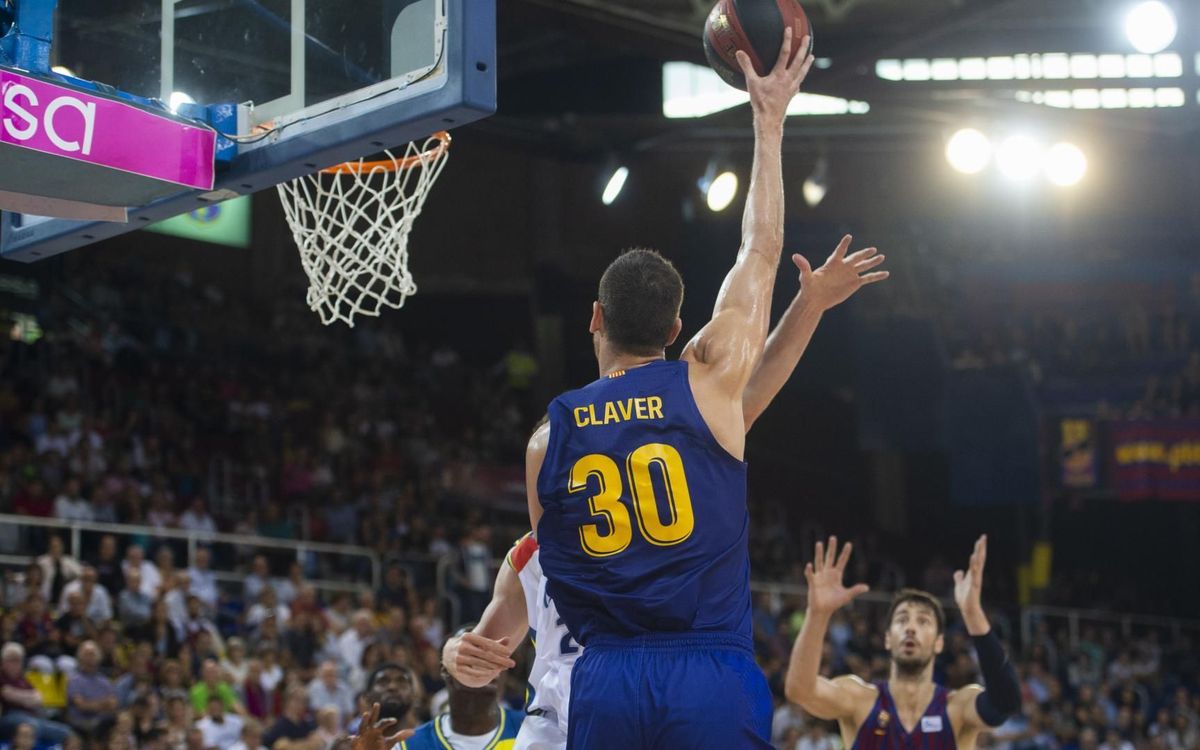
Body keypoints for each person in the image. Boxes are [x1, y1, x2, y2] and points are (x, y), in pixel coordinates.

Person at [524, 28, 865, 749]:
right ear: (681, 326)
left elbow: (553, 567)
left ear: (593, 319)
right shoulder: (708, 387)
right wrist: (768, 120)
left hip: (608, 673)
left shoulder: (548, 438)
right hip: (709, 669)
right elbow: (760, 248)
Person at [442, 219, 887, 747]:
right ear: (675, 330)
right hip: (640, 690)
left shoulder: (553, 450)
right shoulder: (695, 409)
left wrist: (454, 651)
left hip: (601, 693)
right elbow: (758, 284)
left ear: (595, 319)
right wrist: (456, 650)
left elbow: (747, 397)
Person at [784, 536, 1021, 750]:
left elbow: (1006, 702)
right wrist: (817, 614)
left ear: (939, 643)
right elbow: (800, 690)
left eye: (923, 621)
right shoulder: (859, 700)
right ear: (887, 638)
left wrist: (972, 614)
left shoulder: (957, 708)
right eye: (902, 619)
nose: (911, 627)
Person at [398, 662, 522, 750]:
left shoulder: (530, 727)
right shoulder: (409, 744)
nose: (480, 664)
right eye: (470, 656)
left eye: (489, 658)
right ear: (445, 670)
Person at [0, 642, 72, 745]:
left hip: (32, 716)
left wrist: (18, 696)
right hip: (9, 717)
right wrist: (27, 697)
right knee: (30, 727)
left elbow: (38, 699)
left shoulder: (23, 679)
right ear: (3, 662)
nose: (15, 664)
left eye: (18, 660)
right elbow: (6, 694)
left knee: (66, 731)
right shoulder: (2, 677)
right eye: (11, 660)